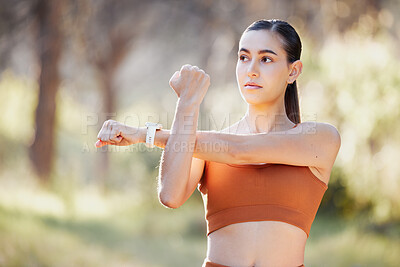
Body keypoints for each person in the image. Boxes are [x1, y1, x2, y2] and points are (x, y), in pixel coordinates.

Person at [96, 19, 341, 267]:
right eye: (244, 57)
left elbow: (241, 150)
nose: (251, 70)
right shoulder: (205, 145)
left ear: (293, 71)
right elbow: (170, 196)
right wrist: (187, 103)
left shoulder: (320, 139)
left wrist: (144, 134)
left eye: (266, 59)